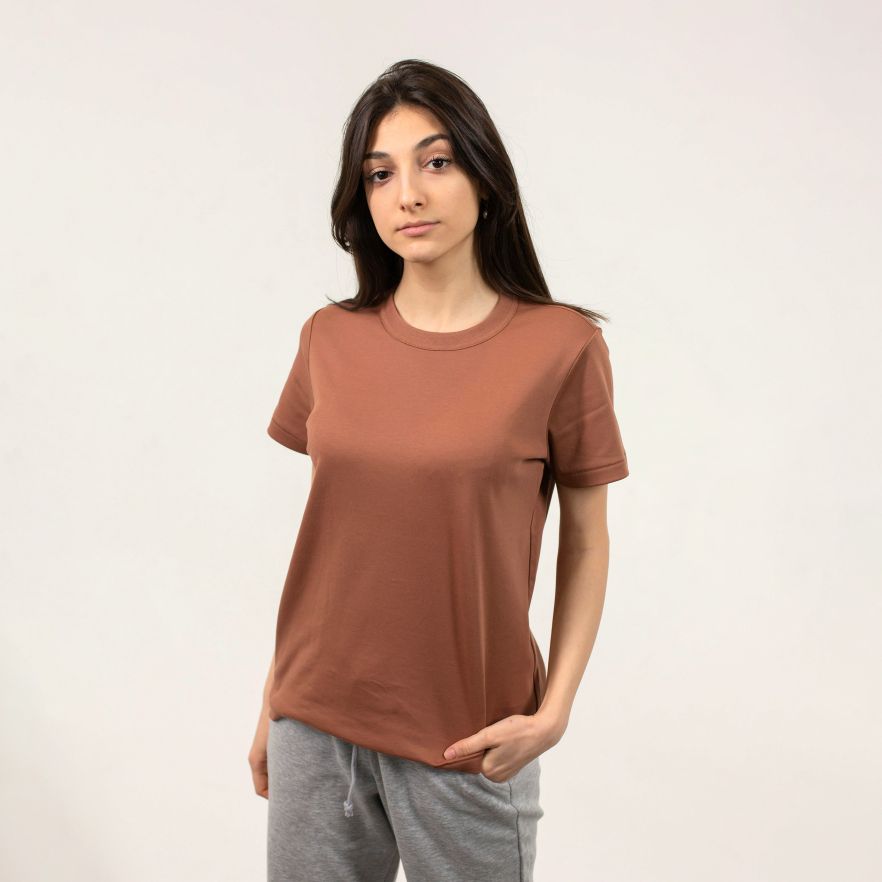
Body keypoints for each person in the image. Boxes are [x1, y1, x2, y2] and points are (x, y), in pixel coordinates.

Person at [248, 58, 630, 882]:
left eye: (436, 162)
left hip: (469, 739)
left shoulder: (562, 347)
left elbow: (586, 542)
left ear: (485, 179)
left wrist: (554, 711)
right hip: (313, 725)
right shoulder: (329, 339)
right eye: (380, 174)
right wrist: (274, 699)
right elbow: (335, 545)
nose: (408, 195)